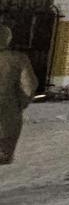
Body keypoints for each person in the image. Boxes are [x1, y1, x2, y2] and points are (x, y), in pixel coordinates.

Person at [0, 24, 39, 165]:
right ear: (8, 39)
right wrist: (21, 103)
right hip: (8, 113)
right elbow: (29, 86)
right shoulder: (18, 59)